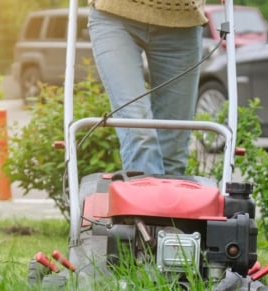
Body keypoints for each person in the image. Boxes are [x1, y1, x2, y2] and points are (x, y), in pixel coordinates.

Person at [87, 0, 207, 176]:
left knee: (173, 151)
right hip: (115, 14)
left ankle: (162, 198)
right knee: (139, 132)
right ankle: (149, 200)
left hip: (184, 20)